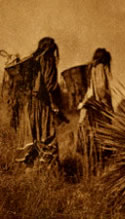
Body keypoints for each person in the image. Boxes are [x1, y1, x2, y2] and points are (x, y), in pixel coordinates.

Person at [15, 37, 69, 167]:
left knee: (32, 139)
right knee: (46, 137)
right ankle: (47, 175)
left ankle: (32, 175)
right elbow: (50, 86)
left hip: (29, 105)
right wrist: (55, 105)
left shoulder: (32, 61)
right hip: (42, 105)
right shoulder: (48, 60)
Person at [77, 48, 113, 176]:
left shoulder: (90, 69)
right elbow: (101, 89)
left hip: (88, 110)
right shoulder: (100, 68)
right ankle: (100, 174)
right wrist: (104, 103)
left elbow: (90, 91)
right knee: (102, 144)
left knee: (90, 145)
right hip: (98, 111)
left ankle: (91, 174)